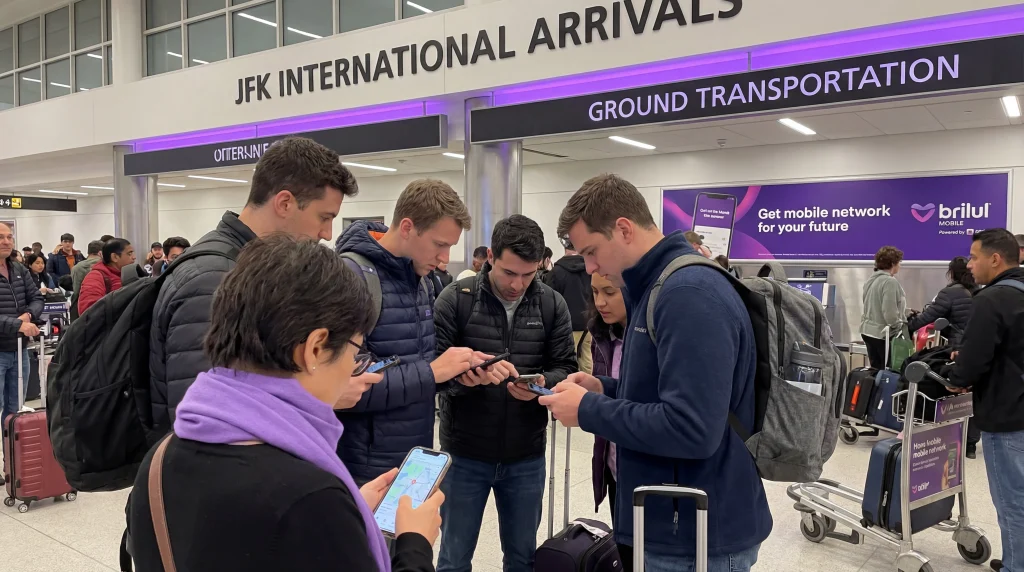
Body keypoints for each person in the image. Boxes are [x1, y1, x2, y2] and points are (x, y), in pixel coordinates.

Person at [129, 236, 443, 572]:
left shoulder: (161, 457)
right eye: (356, 352)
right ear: (315, 349)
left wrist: (351, 516)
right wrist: (414, 543)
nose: (354, 368)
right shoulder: (312, 498)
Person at [540, 174, 771, 572]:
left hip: (697, 537)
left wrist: (589, 409)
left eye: (592, 251)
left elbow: (692, 428)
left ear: (624, 229)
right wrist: (603, 388)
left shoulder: (687, 293)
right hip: (671, 522)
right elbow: (665, 394)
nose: (590, 266)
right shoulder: (657, 286)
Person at [149, 136, 360, 437]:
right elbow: (206, 423)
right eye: (324, 218)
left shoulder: (251, 269)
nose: (327, 233)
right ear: (285, 203)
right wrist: (321, 395)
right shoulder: (213, 280)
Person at [433, 215, 577, 572]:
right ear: (491, 257)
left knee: (522, 560)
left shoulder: (551, 304)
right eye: (509, 273)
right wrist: (464, 379)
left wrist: (540, 383)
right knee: (453, 559)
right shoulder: (456, 299)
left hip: (525, 454)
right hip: (464, 453)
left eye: (528, 274)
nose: (517, 284)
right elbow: (432, 372)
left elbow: (566, 368)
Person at [335, 179, 478, 485]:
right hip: (365, 467)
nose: (444, 258)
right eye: (439, 244)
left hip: (413, 457)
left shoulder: (421, 280)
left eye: (450, 247)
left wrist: (456, 372)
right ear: (407, 227)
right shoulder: (352, 276)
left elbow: (414, 364)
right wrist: (433, 372)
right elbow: (343, 388)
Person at [949, 228, 1024, 572]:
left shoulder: (991, 299)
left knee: (1012, 500)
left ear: (995, 259)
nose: (969, 264)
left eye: (974, 257)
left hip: (1006, 414)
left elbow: (974, 361)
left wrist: (957, 377)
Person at [907, 256, 980, 457]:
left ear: (952, 273)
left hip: (957, 348)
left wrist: (909, 325)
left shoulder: (950, 292)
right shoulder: (979, 291)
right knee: (974, 393)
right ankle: (971, 444)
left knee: (954, 390)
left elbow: (929, 316)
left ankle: (951, 437)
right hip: (979, 347)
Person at [587, 273, 628, 535]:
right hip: (613, 461)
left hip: (645, 469)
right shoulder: (601, 334)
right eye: (594, 292)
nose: (600, 302)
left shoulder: (652, 338)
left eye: (609, 292)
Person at [0, 222, 42, 423]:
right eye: (1, 237)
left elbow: (37, 298)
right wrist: (18, 324)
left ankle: (8, 444)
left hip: (19, 349)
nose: (6, 242)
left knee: (15, 409)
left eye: (9, 237)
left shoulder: (18, 268)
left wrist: (28, 315)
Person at [543, 244, 593, 373]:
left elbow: (549, 299)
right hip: (588, 320)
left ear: (565, 248)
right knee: (587, 358)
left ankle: (572, 384)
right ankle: (587, 383)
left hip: (567, 323)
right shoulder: (590, 268)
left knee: (568, 360)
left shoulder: (557, 271)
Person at [859, 246, 907, 370]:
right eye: (899, 262)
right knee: (887, 372)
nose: (900, 265)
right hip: (882, 335)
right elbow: (889, 312)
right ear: (892, 263)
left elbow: (871, 303)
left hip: (867, 331)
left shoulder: (871, 279)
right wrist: (898, 326)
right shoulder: (890, 282)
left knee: (875, 370)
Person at [77, 238, 135, 315]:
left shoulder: (129, 275)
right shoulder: (95, 277)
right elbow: (89, 312)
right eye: (129, 254)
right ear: (115, 257)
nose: (134, 257)